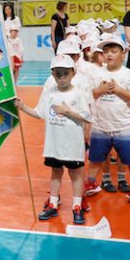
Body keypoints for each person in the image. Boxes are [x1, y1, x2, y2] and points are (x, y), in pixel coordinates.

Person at [14, 55, 91, 224]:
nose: (62, 77)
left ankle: (77, 206)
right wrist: (23, 107)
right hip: (54, 144)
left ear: (73, 73)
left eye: (65, 73)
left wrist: (67, 112)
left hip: (72, 145)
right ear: (53, 74)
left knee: (75, 175)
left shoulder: (78, 93)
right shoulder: (49, 93)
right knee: (55, 173)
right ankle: (53, 204)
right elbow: (39, 113)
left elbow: (86, 117)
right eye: (58, 73)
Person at [84, 35, 130, 204]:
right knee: (95, 158)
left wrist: (118, 90)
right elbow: (88, 95)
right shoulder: (96, 73)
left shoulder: (129, 75)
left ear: (123, 54)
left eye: (113, 51)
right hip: (100, 126)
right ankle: (91, 182)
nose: (109, 54)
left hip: (123, 126)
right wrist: (100, 90)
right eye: (105, 51)